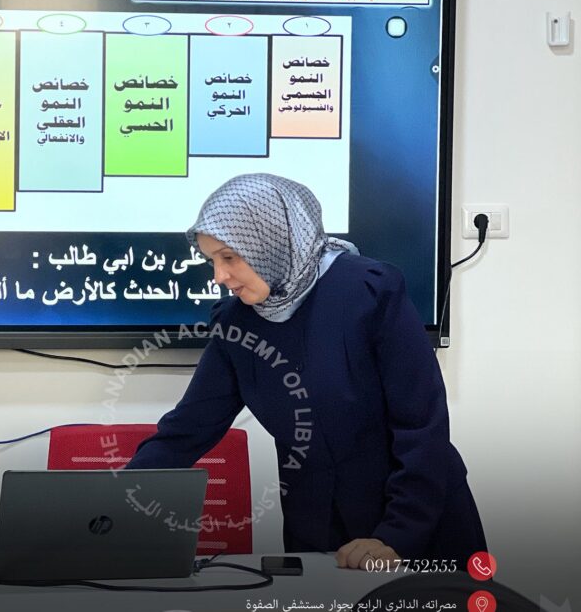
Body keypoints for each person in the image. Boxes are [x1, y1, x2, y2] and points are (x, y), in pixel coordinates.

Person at [126, 174, 486, 569]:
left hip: (415, 529)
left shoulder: (369, 293)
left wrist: (396, 537)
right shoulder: (236, 323)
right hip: (317, 535)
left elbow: (422, 427)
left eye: (229, 257)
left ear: (269, 240)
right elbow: (186, 431)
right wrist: (113, 502)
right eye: (212, 260)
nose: (218, 276)